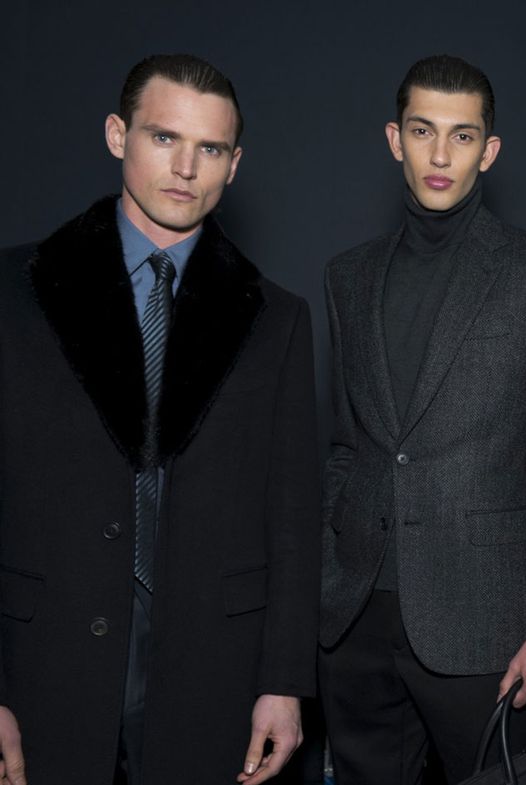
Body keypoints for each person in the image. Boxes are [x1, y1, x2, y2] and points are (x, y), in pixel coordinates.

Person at [0, 54, 319, 785]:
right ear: (118, 135)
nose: (185, 167)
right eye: (163, 137)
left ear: (233, 165)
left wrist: (285, 681)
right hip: (42, 658)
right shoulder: (14, 293)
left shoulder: (276, 319)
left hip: (212, 670)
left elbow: (293, 516)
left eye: (209, 149)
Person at [318, 54, 526, 785]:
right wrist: (327, 577)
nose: (440, 154)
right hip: (355, 618)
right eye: (423, 130)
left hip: (489, 626)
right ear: (393, 138)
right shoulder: (347, 275)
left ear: (489, 151)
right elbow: (345, 444)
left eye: (462, 136)